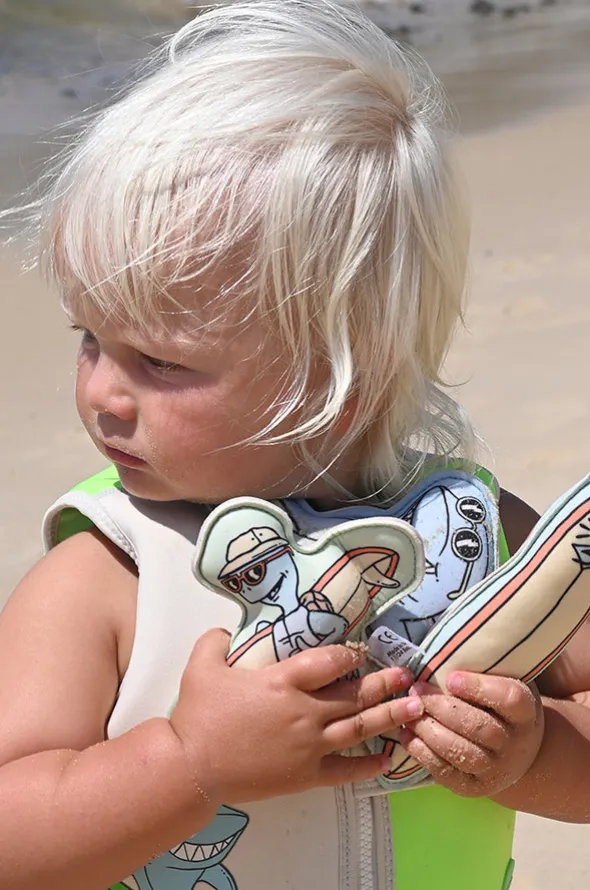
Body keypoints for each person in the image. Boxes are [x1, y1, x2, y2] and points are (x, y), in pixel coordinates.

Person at [1, 2, 589, 889]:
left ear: (339, 381)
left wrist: (538, 753)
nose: (100, 394)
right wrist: (191, 764)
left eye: (161, 362)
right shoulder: (105, 574)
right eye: (91, 339)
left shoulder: (476, 538)